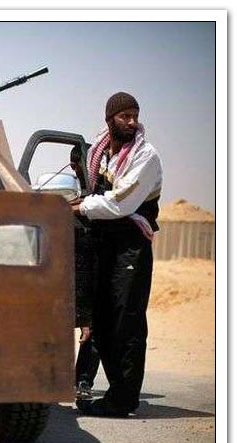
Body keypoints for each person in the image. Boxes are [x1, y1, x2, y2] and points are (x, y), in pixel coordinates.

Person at [72, 92, 163, 417]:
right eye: (125, 116)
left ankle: (122, 400)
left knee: (126, 321)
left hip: (131, 246)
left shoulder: (145, 156)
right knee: (101, 319)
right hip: (105, 242)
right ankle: (108, 391)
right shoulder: (100, 151)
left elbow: (120, 203)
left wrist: (81, 206)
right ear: (110, 118)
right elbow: (91, 187)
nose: (132, 122)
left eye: (135, 116)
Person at [69, 145, 102, 401]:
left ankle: (83, 381)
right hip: (65, 270)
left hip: (93, 268)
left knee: (95, 326)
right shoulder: (66, 190)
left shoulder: (105, 191)